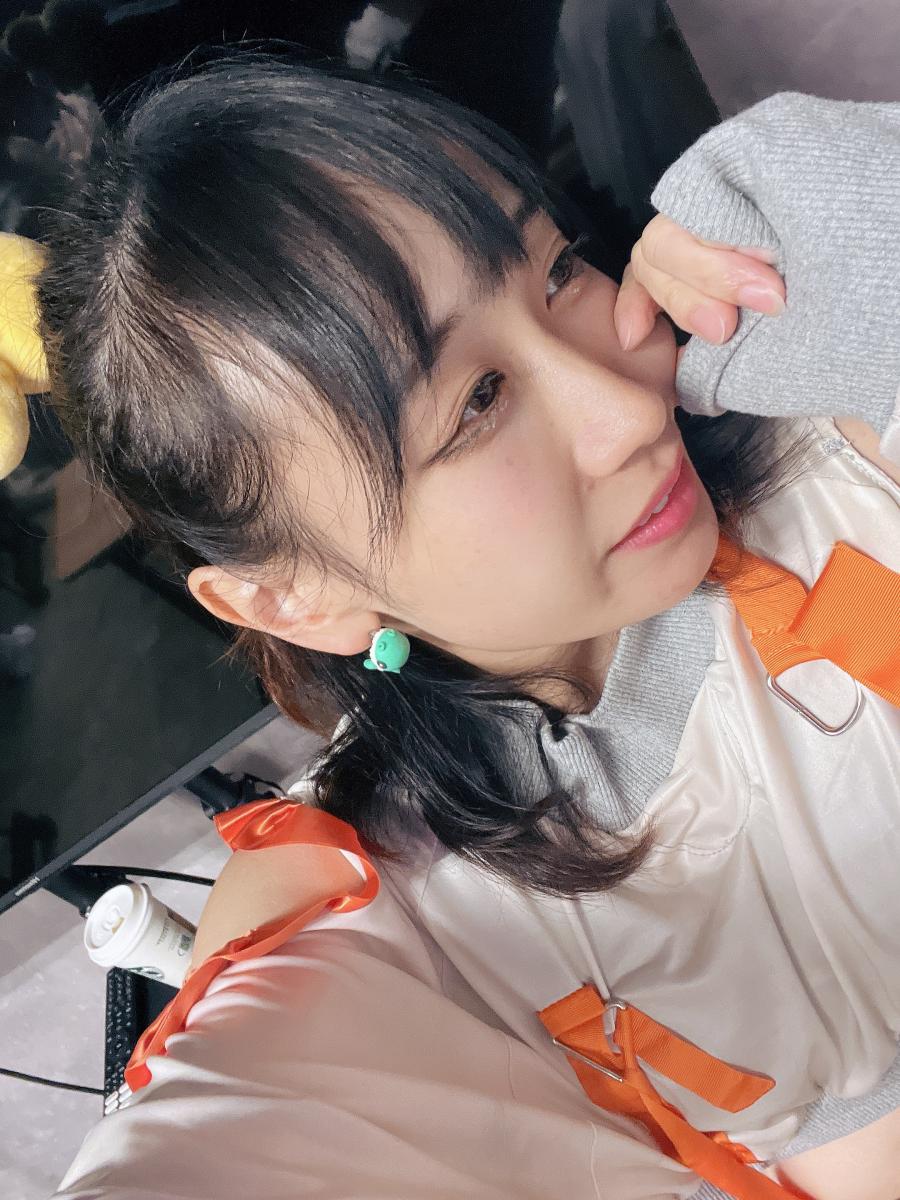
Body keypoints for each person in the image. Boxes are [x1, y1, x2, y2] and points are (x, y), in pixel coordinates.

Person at [26, 54, 899, 1200]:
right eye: (476, 403)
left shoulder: (843, 452)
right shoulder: (396, 908)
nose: (626, 403)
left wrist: (857, 225)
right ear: (296, 600)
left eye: (560, 269)